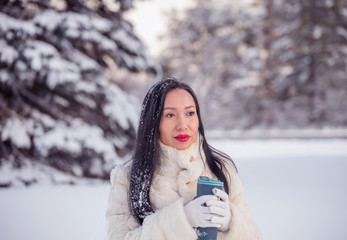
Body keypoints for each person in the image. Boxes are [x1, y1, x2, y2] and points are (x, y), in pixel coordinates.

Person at [106, 77, 261, 240]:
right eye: (170, 115)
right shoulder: (127, 178)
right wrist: (182, 219)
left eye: (189, 113)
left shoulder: (222, 168)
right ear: (153, 122)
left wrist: (231, 222)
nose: (182, 124)